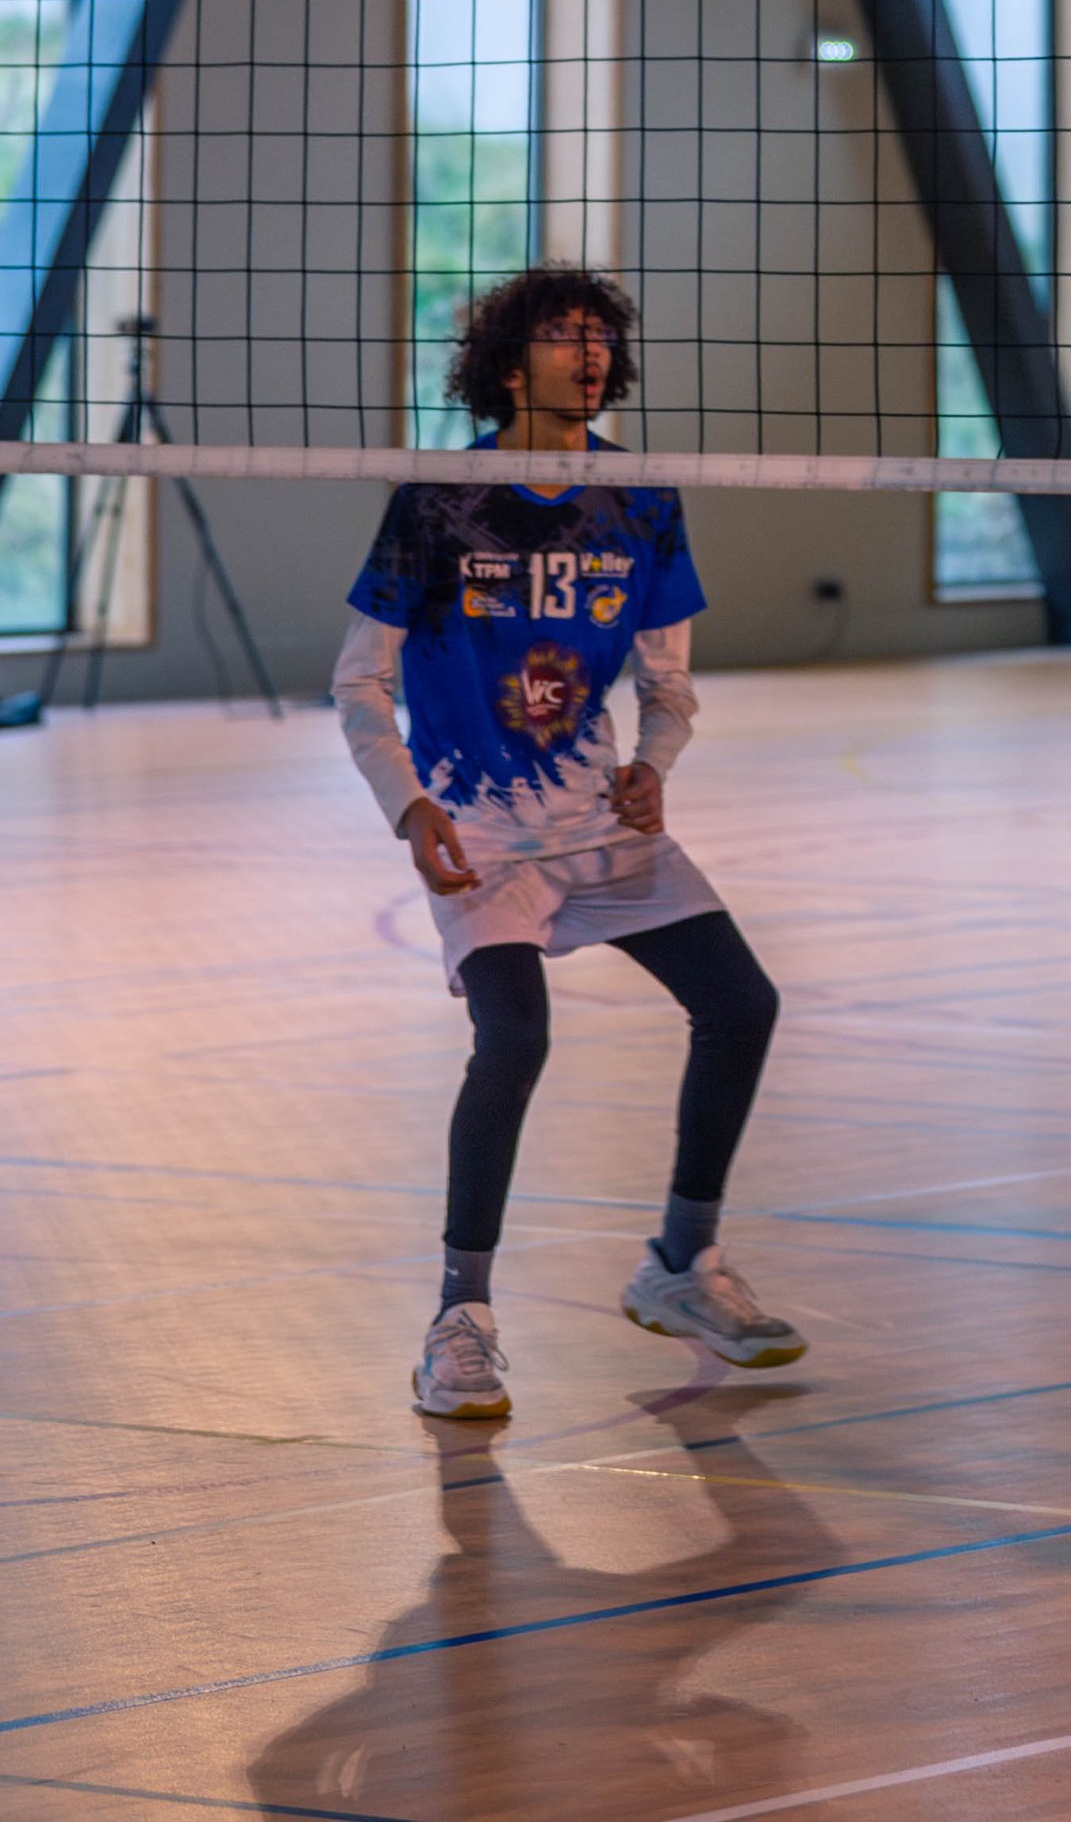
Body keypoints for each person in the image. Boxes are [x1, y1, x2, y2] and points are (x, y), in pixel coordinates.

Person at [334, 264, 802, 1419]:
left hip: (600, 827)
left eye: (601, 337)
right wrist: (408, 805)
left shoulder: (639, 496)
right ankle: (461, 1317)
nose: (588, 354)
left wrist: (655, 763)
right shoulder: (441, 499)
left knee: (742, 1004)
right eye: (562, 336)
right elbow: (358, 684)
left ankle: (681, 1266)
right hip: (481, 833)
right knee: (514, 1037)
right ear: (508, 362)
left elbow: (669, 683)